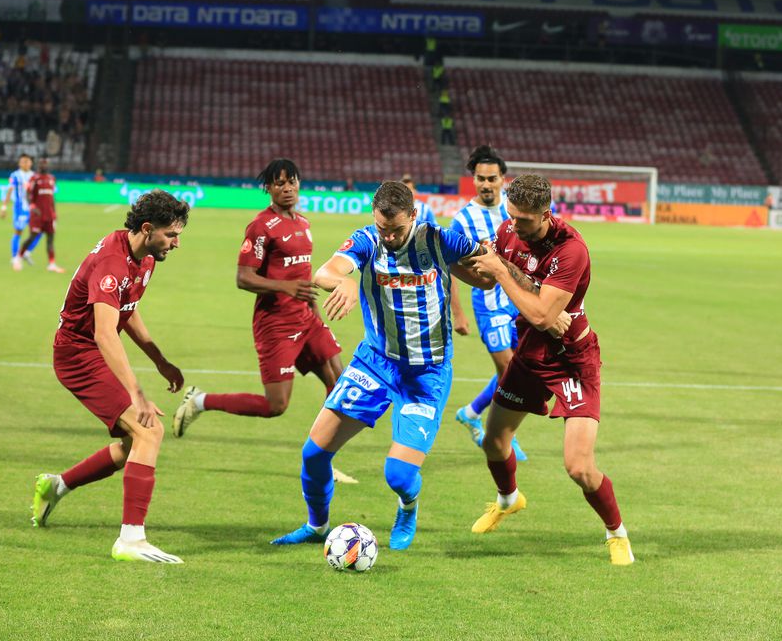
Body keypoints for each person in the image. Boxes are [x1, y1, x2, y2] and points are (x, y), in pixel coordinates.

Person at [270, 181, 491, 551]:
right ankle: (317, 525)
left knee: (399, 475)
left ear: (414, 217)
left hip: (427, 373)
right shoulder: (367, 240)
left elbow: (488, 267)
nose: (388, 237)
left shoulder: (441, 239)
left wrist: (489, 275)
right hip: (376, 363)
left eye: (397, 230)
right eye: (383, 228)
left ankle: (408, 507)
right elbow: (326, 272)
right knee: (313, 453)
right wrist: (342, 283)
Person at [465, 174, 632, 566]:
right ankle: (509, 500)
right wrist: (449, 257)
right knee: (493, 442)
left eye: (523, 221)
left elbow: (542, 314)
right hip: (529, 355)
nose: (514, 227)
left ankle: (616, 533)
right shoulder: (508, 230)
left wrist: (505, 272)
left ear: (546, 213)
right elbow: (485, 275)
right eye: (511, 217)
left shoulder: (571, 250)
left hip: (572, 360)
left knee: (578, 467)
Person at [30, 190, 189, 563]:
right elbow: (104, 333)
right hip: (77, 354)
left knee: (137, 442)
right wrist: (136, 392)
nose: (176, 243)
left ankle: (57, 485)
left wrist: (158, 358)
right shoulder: (112, 263)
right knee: (149, 431)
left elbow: (126, 310)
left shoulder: (145, 256)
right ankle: (130, 541)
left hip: (93, 350)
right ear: (147, 229)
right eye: (171, 234)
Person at [171, 159, 356, 483]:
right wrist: (286, 287)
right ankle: (200, 401)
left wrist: (313, 312)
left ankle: (323, 460)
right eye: (279, 183)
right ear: (268, 188)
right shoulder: (261, 226)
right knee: (276, 405)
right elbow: (243, 278)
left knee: (340, 382)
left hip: (306, 318)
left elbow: (300, 277)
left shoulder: (303, 223)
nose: (287, 188)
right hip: (275, 325)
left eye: (292, 182)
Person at [448, 145, 527, 461]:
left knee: (521, 368)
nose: (485, 184)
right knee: (510, 369)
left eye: (491, 178)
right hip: (488, 303)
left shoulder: (513, 211)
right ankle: (506, 437)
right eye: (480, 179)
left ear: (502, 179)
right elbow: (450, 267)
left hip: (518, 301)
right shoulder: (463, 219)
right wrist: (458, 312)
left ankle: (471, 412)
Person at [19, 157, 65, 272]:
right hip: (38, 215)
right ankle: (19, 257)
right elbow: (29, 195)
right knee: (32, 237)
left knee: (50, 239)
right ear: (38, 166)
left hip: (49, 214)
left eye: (45, 164)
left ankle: (52, 264)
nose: (44, 166)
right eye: (41, 164)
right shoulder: (34, 179)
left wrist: (54, 212)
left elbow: (51, 197)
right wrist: (32, 207)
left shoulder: (52, 178)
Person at [0, 153, 39, 270]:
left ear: (31, 163)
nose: (25, 164)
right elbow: (10, 191)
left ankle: (26, 252)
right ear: (19, 163)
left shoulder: (34, 176)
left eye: (27, 161)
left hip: (33, 209)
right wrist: (4, 207)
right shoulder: (15, 175)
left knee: (38, 231)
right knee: (18, 232)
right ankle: (14, 257)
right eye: (23, 161)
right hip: (20, 209)